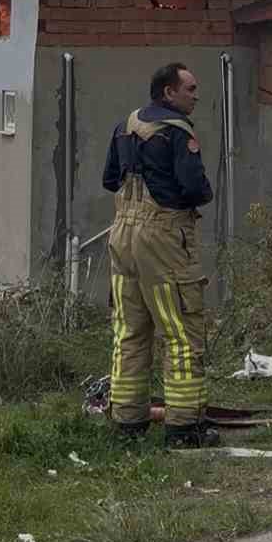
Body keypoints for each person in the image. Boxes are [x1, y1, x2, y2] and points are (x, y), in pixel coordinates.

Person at [102, 61, 218, 449]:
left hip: (121, 236)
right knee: (181, 331)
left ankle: (127, 423)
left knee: (130, 331)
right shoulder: (177, 132)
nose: (195, 95)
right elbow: (195, 188)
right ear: (168, 92)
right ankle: (185, 428)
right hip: (163, 238)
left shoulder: (126, 125)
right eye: (189, 88)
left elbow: (109, 179)